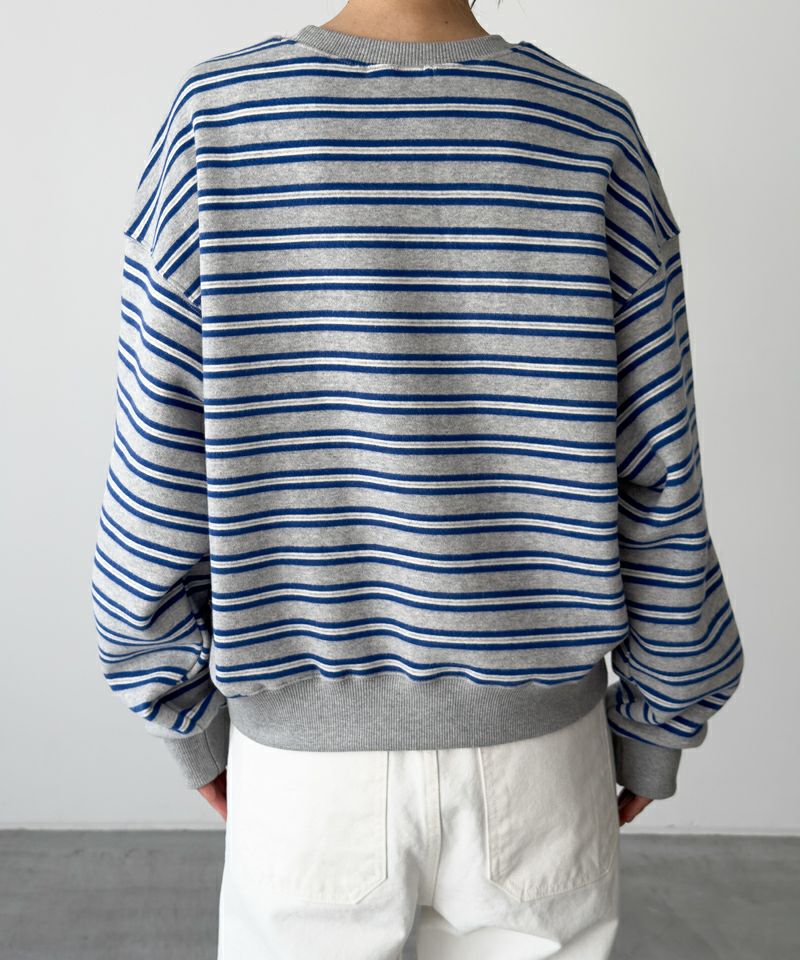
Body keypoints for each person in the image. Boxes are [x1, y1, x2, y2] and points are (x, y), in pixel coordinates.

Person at [89, 0, 744, 956]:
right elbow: (661, 470)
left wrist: (181, 710)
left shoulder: (217, 121)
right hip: (539, 763)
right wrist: (661, 714)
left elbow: (153, 464)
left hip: (307, 778)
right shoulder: (590, 129)